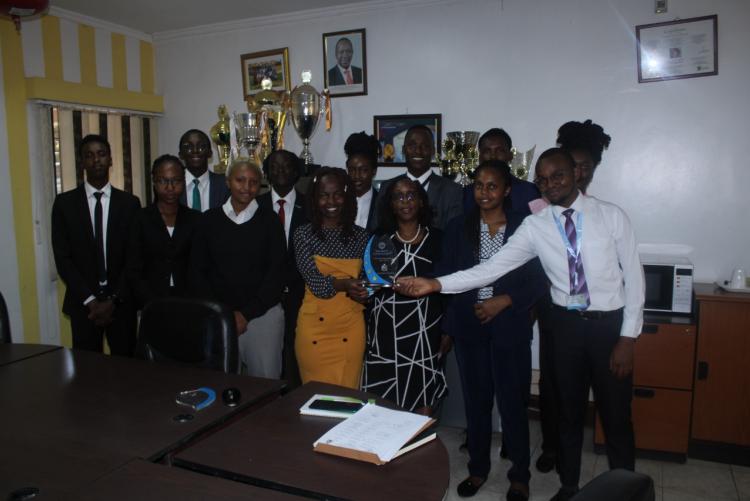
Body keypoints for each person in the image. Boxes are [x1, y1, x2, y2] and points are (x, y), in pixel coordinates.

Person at [397, 148, 645, 501]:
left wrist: (628, 337)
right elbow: (490, 269)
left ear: (575, 173)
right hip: (566, 327)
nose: (550, 184)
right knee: (568, 414)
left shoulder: (611, 215)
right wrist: (436, 284)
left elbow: (634, 277)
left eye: (557, 175)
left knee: (616, 417)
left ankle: (628, 492)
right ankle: (569, 487)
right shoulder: (535, 226)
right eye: (542, 179)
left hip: (609, 327)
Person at [439, 161, 547, 501]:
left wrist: (506, 300)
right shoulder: (458, 227)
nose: (484, 193)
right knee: (477, 402)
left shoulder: (526, 227)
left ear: (507, 189)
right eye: (478, 185)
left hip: (509, 326)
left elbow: (540, 279)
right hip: (469, 327)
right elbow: (446, 276)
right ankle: (478, 469)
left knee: (512, 403)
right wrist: (449, 325)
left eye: (492, 186)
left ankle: (519, 476)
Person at [189, 158, 286, 378]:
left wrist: (245, 314)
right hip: (217, 316)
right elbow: (198, 272)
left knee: (264, 385)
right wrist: (223, 313)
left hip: (262, 316)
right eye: (240, 180)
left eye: (253, 182)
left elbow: (276, 273)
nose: (246, 187)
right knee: (219, 383)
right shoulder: (208, 221)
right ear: (228, 182)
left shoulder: (270, 221)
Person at [361, 178, 449, 415]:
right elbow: (367, 286)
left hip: (425, 333)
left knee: (422, 401)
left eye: (411, 195)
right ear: (390, 204)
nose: (405, 201)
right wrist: (363, 290)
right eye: (398, 196)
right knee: (381, 408)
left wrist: (448, 330)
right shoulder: (378, 240)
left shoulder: (439, 240)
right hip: (384, 334)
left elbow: (450, 288)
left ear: (421, 201)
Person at [51, 134, 141, 355]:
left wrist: (113, 300)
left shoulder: (129, 204)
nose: (96, 160)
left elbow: (134, 257)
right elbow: (63, 259)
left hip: (121, 305)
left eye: (101, 154)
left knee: (127, 368)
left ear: (110, 159)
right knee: (87, 369)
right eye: (89, 155)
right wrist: (91, 301)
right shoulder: (64, 204)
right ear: (82, 162)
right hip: (84, 305)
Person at [293, 167, 369, 389]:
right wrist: (345, 284)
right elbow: (316, 284)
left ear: (347, 197)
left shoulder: (362, 237)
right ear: (314, 199)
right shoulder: (303, 234)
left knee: (349, 397)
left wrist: (365, 291)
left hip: (351, 327)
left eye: (337, 194)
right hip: (314, 329)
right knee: (316, 398)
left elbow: (366, 281)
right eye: (324, 195)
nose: (331, 201)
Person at [257, 150, 308, 388]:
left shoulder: (311, 206)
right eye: (274, 167)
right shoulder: (255, 206)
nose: (280, 171)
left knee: (296, 356)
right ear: (267, 173)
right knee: (268, 359)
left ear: (296, 172)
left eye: (286, 166)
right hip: (265, 294)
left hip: (302, 292)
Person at [128, 155, 200, 308]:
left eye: (176, 181)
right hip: (150, 302)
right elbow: (134, 268)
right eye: (163, 181)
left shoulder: (195, 219)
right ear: (154, 182)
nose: (170, 187)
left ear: (183, 181)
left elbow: (199, 266)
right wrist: (150, 302)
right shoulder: (140, 219)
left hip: (188, 302)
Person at [376, 125, 462, 230]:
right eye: (412, 146)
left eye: (425, 146)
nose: (418, 151)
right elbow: (379, 231)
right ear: (403, 150)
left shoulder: (452, 191)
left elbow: (454, 233)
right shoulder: (387, 188)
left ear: (433, 151)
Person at [464, 128, 541, 215]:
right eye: (487, 151)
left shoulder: (530, 192)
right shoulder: (466, 194)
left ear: (510, 155)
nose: (493, 156)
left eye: (500, 151)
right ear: (479, 156)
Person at [178, 129, 230, 211]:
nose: (195, 151)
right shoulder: (173, 185)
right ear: (181, 155)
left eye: (201, 147)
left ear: (210, 153)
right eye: (188, 147)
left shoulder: (225, 185)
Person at [556, 119, 612, 194]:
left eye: (584, 167)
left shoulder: (597, 202)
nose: (578, 173)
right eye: (572, 166)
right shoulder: (542, 201)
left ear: (593, 168)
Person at [344, 131, 380, 232]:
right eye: (352, 170)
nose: (356, 176)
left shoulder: (383, 204)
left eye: (363, 170)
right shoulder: (338, 202)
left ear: (374, 171)